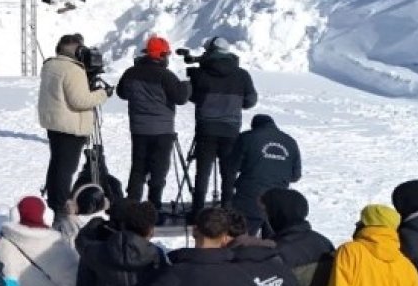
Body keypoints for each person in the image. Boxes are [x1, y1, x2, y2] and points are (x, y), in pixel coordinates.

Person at [38, 34, 111, 213]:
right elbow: (80, 100)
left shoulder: (50, 65)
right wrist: (103, 94)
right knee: (65, 170)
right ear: (78, 51)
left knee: (56, 165)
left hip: (55, 123)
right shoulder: (73, 70)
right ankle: (61, 207)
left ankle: (54, 202)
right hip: (70, 127)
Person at [116, 36, 190, 209]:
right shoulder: (166, 75)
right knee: (158, 169)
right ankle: (153, 205)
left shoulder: (131, 72)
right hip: (162, 131)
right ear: (162, 55)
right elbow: (180, 98)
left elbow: (121, 93)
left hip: (139, 129)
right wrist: (187, 86)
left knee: (138, 168)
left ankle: (132, 205)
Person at [187, 37, 257, 216]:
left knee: (203, 171)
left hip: (206, 127)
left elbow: (193, 97)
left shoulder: (201, 74)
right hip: (231, 129)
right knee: (229, 171)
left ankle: (198, 210)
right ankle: (228, 208)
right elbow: (250, 101)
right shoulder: (242, 75)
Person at [230, 115, 301, 237]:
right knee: (273, 244)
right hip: (278, 200)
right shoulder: (291, 142)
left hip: (249, 195)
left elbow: (233, 166)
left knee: (241, 239)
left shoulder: (247, 137)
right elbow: (295, 176)